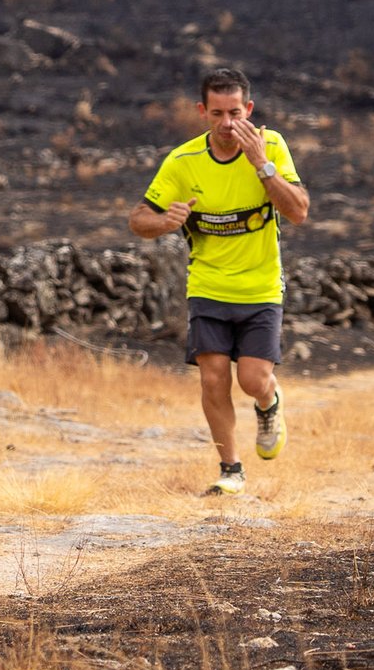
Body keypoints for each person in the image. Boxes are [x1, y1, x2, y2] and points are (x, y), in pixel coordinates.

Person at [128, 67, 309, 495]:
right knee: (212, 378)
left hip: (261, 287)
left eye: (234, 113)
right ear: (202, 112)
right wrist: (164, 222)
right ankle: (231, 469)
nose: (227, 123)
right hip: (207, 287)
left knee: (251, 380)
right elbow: (138, 219)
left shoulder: (271, 146)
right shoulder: (183, 161)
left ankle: (269, 401)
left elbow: (299, 211)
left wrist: (261, 165)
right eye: (217, 114)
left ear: (249, 109)